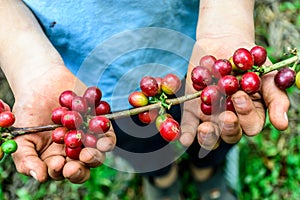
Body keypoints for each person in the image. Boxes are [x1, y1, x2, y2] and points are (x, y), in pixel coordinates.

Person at [0, 0, 290, 199]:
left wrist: (228, 21)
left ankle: (208, 172)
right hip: (97, 79)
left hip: (195, 39)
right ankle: (161, 179)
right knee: (138, 144)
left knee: (217, 128)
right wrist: (31, 67)